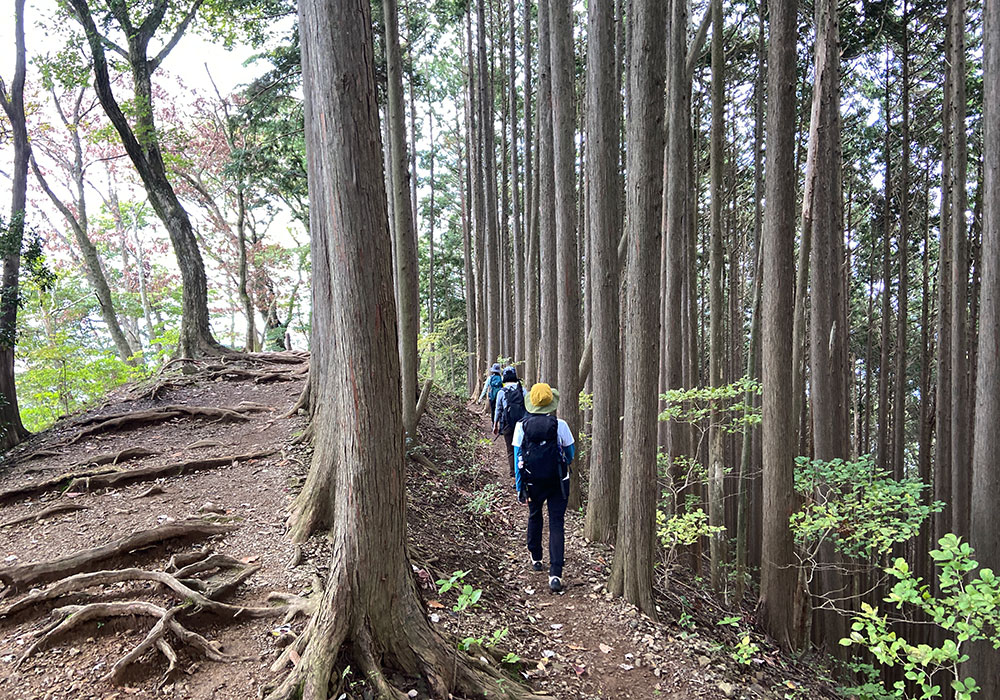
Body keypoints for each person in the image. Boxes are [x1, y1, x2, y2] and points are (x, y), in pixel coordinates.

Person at [513, 383, 575, 593]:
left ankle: (536, 558)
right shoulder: (561, 425)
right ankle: (555, 573)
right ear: (551, 402)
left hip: (533, 482)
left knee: (534, 515)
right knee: (557, 523)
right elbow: (571, 454)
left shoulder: (521, 426)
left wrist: (520, 487)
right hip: (558, 481)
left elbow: (517, 460)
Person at [493, 366, 527, 485]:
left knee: (511, 451)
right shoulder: (522, 390)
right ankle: (525, 474)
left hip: (507, 425)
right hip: (523, 424)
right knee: (523, 449)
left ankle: (514, 477)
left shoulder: (501, 392)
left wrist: (495, 425)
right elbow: (528, 407)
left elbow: (498, 409)